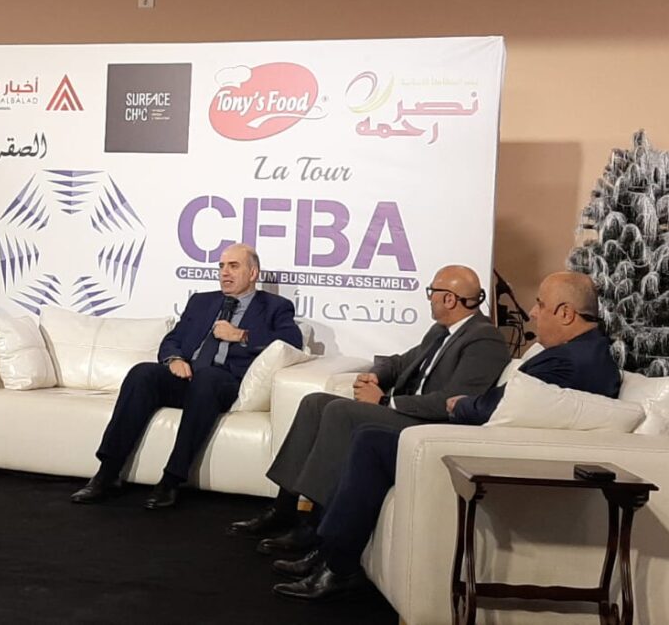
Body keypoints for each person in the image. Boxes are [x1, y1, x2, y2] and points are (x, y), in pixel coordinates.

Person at [271, 271, 621, 600]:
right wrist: (381, 378)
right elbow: (510, 401)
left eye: (540, 304)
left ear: (565, 313)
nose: (532, 313)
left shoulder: (568, 360)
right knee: (351, 424)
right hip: (475, 435)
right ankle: (322, 547)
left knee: (367, 437)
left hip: (472, 446)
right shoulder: (574, 353)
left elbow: (500, 404)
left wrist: (460, 404)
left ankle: (335, 562)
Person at [230, 265, 510, 554]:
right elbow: (400, 362)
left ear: (449, 299)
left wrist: (385, 402)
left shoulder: (483, 339)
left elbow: (452, 401)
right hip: (406, 412)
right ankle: (283, 508)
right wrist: (375, 376)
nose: (430, 298)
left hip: (428, 425)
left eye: (432, 292)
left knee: (340, 412)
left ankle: (314, 526)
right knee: (315, 402)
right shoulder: (441, 331)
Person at [71, 243, 303, 509]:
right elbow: (172, 339)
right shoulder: (202, 302)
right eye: (221, 266)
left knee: (207, 379)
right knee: (142, 373)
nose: (224, 273)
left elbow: (291, 341)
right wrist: (175, 359)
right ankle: (107, 473)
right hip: (188, 375)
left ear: (253, 273)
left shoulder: (275, 307)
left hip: (226, 381)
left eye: (233, 266)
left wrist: (241, 335)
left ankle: (172, 479)